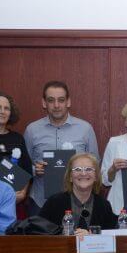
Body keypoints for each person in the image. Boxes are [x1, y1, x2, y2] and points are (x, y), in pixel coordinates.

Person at [23, 81, 99, 215]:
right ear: (44, 103)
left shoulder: (85, 129)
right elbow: (23, 165)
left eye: (61, 100)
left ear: (68, 102)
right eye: (51, 100)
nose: (56, 105)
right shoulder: (32, 130)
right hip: (41, 202)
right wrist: (35, 170)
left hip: (78, 201)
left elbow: (95, 163)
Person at [39, 153, 117, 234]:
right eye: (78, 169)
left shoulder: (104, 205)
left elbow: (111, 236)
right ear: (70, 177)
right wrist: (65, 234)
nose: (83, 173)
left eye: (88, 169)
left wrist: (91, 236)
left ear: (96, 176)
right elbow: (38, 231)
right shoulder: (54, 203)